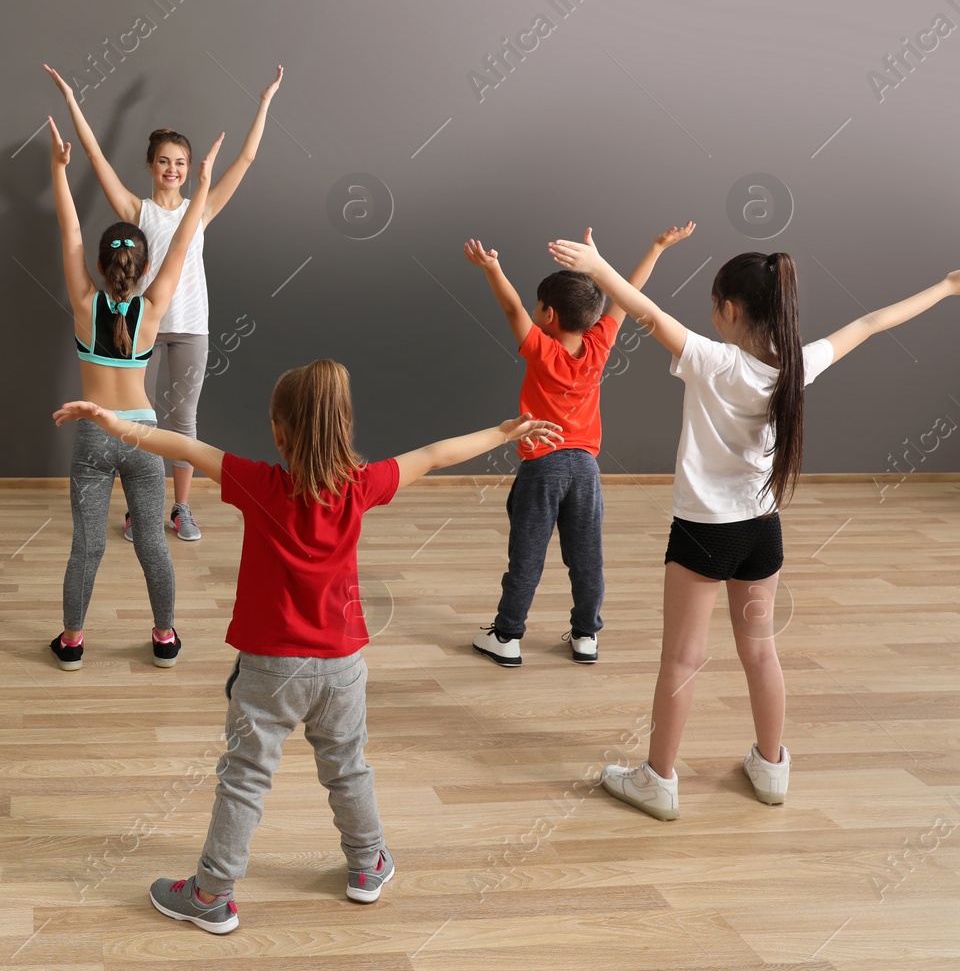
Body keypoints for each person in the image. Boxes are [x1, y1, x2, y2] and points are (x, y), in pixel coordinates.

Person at [55, 360, 561, 932]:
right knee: (348, 769)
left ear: (278, 432)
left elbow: (182, 446)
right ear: (344, 428)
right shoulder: (360, 486)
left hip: (270, 671)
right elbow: (435, 454)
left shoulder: (259, 482)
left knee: (244, 777)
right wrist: (504, 432)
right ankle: (367, 863)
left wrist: (113, 422)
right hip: (343, 669)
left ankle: (211, 895)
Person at [549, 228, 960, 819]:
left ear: (730, 310)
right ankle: (771, 769)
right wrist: (946, 287)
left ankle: (658, 780)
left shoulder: (712, 360)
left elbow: (643, 311)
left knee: (682, 660)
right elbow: (871, 323)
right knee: (760, 653)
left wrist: (597, 264)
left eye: (714, 304)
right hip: (761, 533)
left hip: (702, 533)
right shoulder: (798, 365)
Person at [45, 62, 283, 541]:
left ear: (188, 171)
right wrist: (72, 100)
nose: (172, 170)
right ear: (151, 166)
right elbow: (93, 157)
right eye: (164, 162)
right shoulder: (137, 210)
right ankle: (140, 508)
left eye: (180, 163)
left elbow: (246, 160)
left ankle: (180, 508)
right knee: (143, 417)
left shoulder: (203, 208)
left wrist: (264, 102)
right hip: (139, 331)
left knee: (185, 419)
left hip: (192, 325)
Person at [465, 223, 696, 666]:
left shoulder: (539, 349)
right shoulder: (600, 343)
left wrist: (492, 267)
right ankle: (586, 635)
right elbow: (626, 292)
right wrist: (657, 247)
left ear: (548, 315)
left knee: (526, 557)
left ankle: (508, 637)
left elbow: (510, 305)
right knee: (587, 558)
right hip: (586, 470)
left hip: (543, 467)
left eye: (538, 306)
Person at [47, 116, 224, 671]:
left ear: (101, 266)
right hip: (144, 439)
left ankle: (72, 643)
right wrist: (203, 181)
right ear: (143, 269)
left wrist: (59, 170)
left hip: (95, 440)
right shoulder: (151, 311)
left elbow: (69, 229)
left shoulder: (83, 304)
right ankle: (165, 638)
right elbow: (185, 240)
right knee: (153, 541)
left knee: (87, 547)